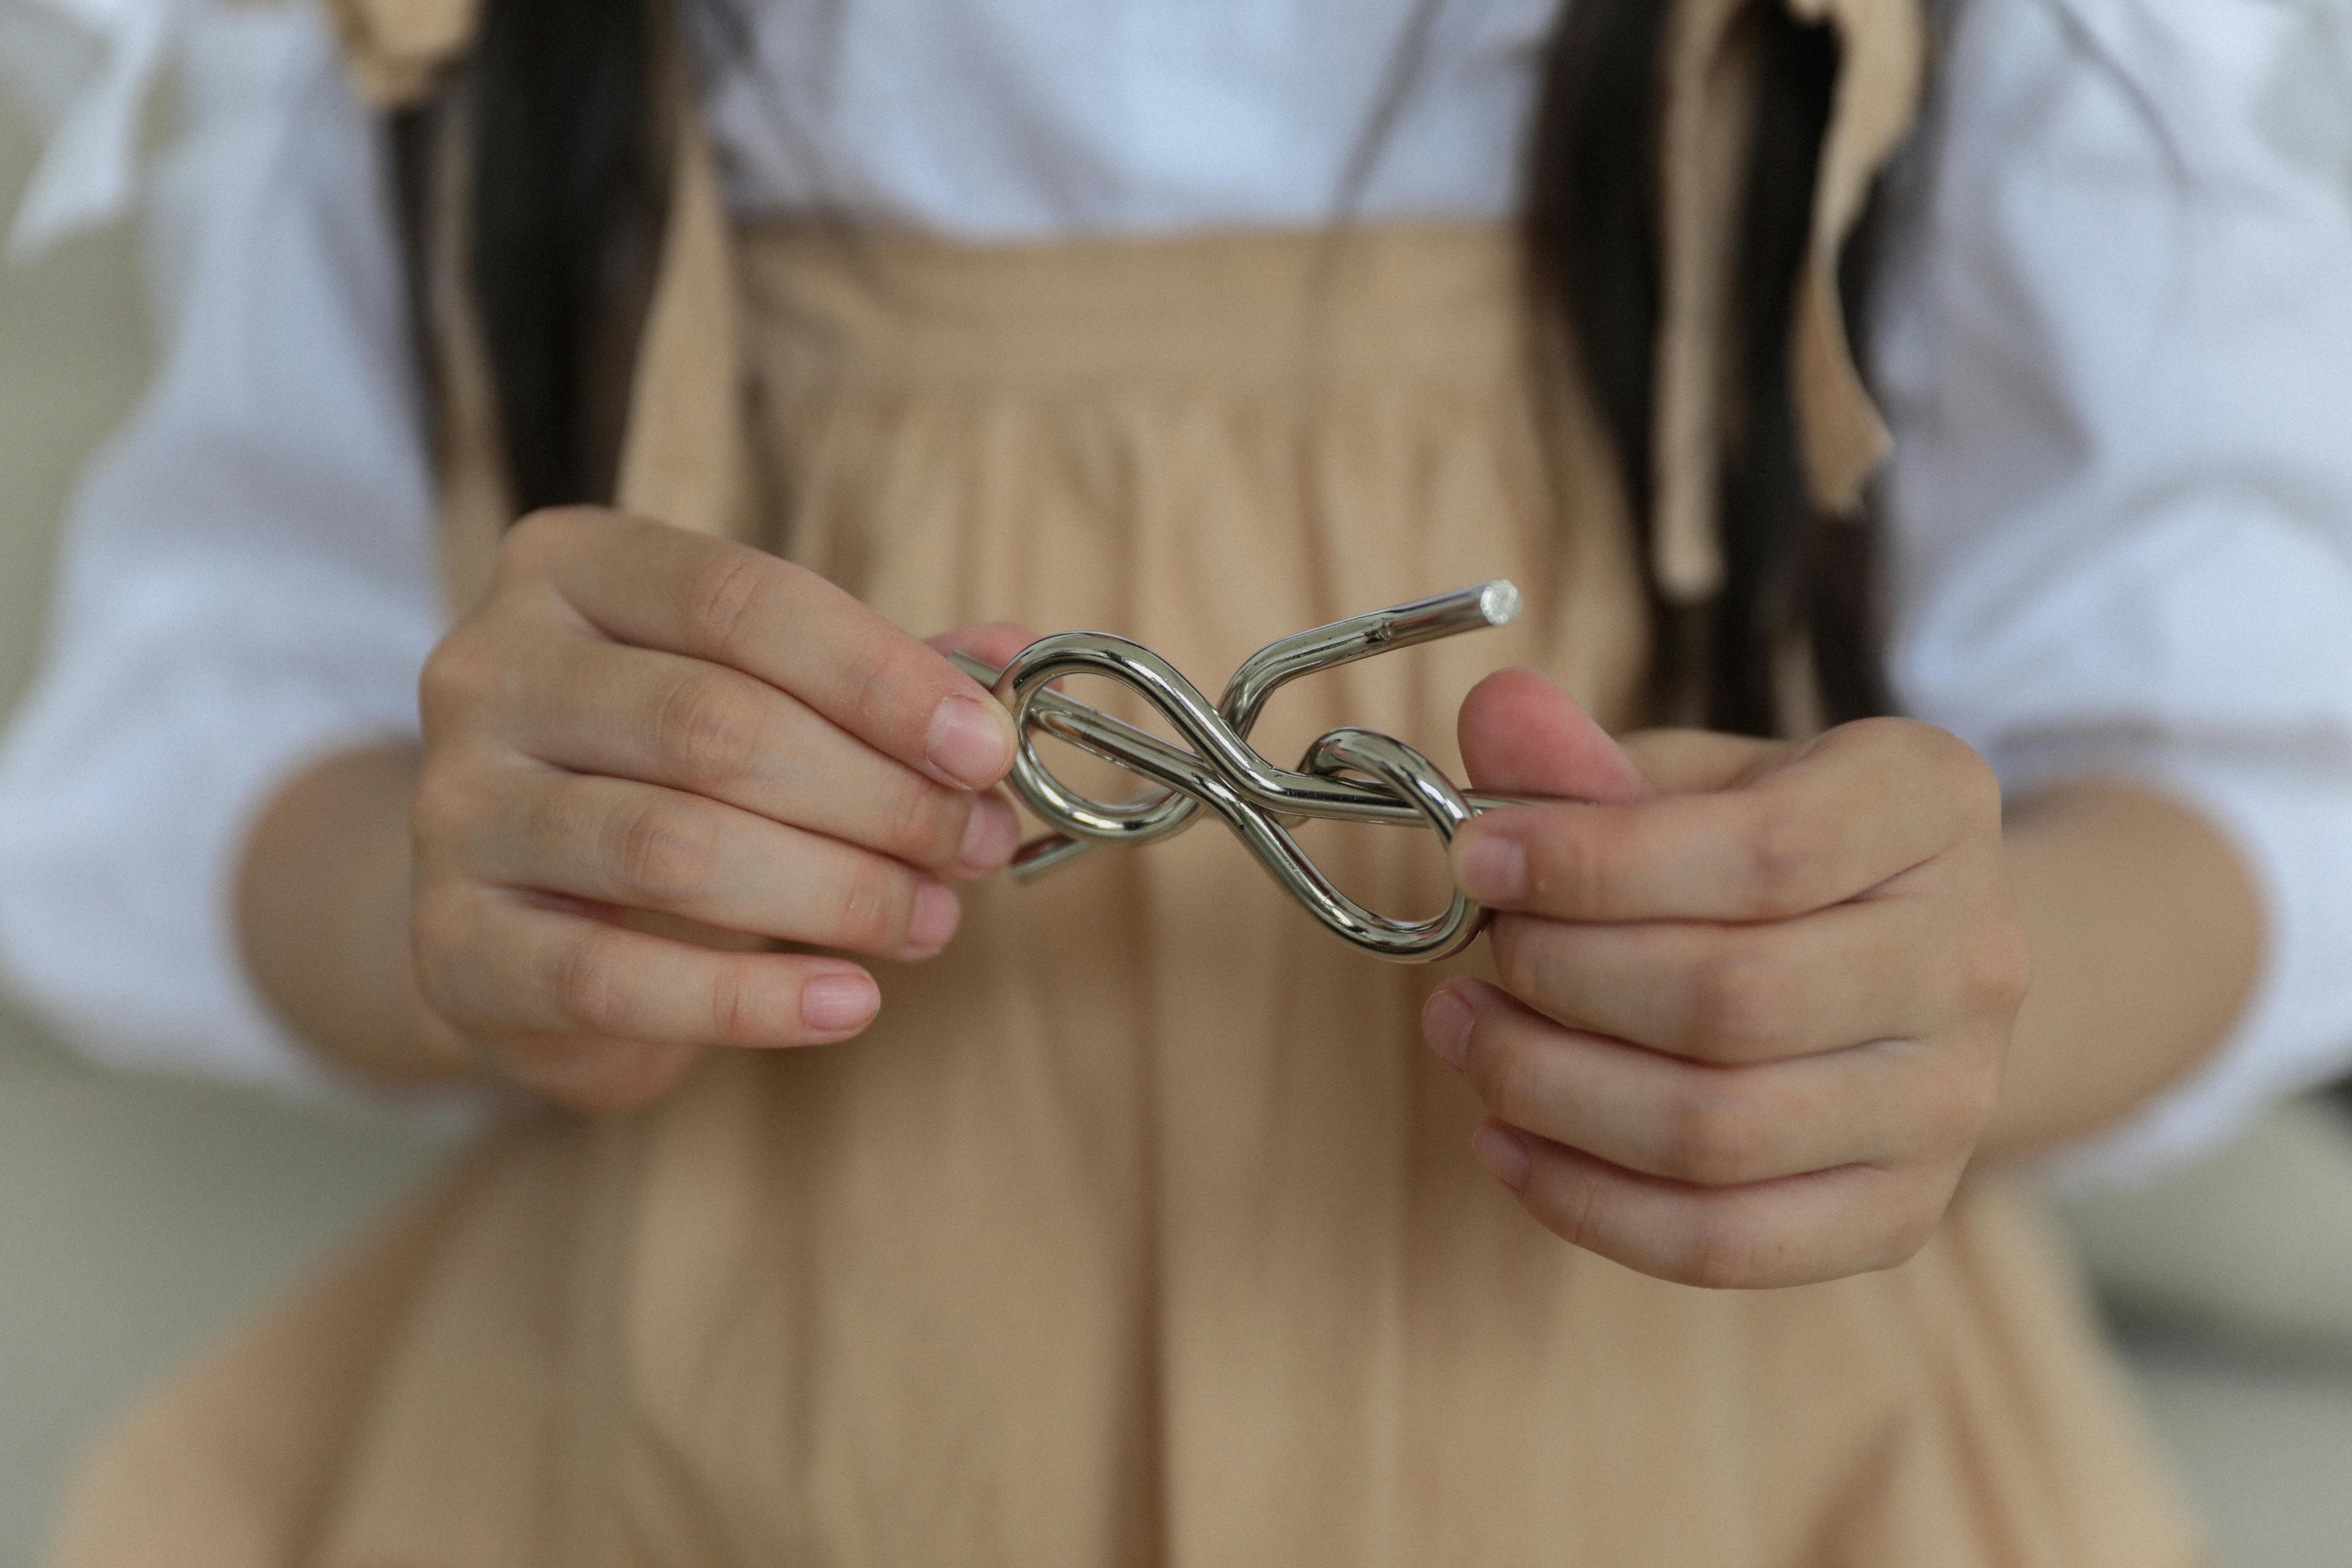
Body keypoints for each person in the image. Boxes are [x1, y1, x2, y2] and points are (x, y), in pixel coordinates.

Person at [2, 0, 2348, 1560]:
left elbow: (2238, 776)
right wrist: (489, 911)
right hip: (718, 1453)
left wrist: (1946, 998)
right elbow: (222, 738)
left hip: (1705, 1469)